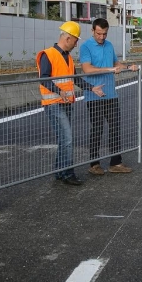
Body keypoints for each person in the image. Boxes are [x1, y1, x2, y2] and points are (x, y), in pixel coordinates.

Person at [37, 21, 104, 186]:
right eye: (75, 41)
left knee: (63, 139)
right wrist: (58, 91)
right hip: (53, 103)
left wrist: (91, 88)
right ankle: (68, 172)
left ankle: (60, 171)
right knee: (67, 139)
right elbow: (44, 78)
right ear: (67, 38)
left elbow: (75, 80)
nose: (76, 44)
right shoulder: (48, 54)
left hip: (66, 103)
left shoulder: (68, 58)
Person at [80, 18, 138, 176]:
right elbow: (87, 69)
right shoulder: (86, 46)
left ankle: (116, 163)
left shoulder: (109, 45)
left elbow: (116, 64)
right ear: (93, 31)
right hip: (94, 95)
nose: (101, 37)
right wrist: (110, 69)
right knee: (97, 129)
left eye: (104, 34)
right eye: (99, 33)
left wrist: (127, 67)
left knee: (115, 128)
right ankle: (94, 163)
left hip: (111, 94)